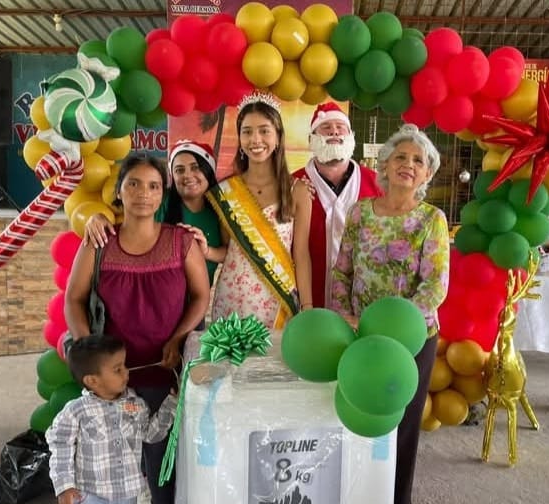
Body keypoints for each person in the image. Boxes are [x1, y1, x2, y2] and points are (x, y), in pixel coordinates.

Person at [65, 153, 210, 504]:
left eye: (153, 186)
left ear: (162, 194)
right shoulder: (99, 241)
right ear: (119, 191)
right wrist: (90, 355)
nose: (143, 193)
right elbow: (73, 299)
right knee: (109, 455)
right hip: (114, 376)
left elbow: (201, 296)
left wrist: (178, 337)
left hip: (164, 367)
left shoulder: (181, 241)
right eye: (133, 184)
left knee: (161, 451)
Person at [329, 124, 450, 504]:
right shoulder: (360, 212)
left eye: (418, 160)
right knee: (359, 419)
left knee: (401, 428)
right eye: (401, 156)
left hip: (411, 340)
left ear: (427, 173)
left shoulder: (431, 219)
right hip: (360, 334)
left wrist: (397, 326)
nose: (408, 165)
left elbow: (434, 285)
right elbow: (342, 270)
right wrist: (345, 315)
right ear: (384, 165)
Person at [45, 334, 178, 504]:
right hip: (87, 496)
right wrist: (64, 486)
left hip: (125, 497)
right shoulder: (76, 411)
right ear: (92, 380)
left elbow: (150, 435)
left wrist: (170, 405)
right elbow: (60, 445)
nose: (126, 372)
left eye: (124, 365)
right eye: (118, 369)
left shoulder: (136, 405)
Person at [205, 91, 313, 328]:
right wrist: (206, 251)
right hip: (232, 300)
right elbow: (228, 250)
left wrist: (307, 307)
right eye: (247, 131)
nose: (255, 139)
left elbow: (301, 254)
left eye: (264, 131)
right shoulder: (226, 191)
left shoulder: (297, 191)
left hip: (278, 302)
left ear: (278, 137)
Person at [83, 141, 225, 287]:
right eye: (179, 170)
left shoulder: (223, 208)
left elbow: (231, 253)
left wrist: (207, 252)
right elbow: (127, 222)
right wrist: (98, 218)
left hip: (199, 294)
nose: (187, 175)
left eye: (195, 168)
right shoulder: (160, 200)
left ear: (208, 170)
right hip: (158, 290)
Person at [291, 101, 382, 309]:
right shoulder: (293, 184)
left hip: (363, 303)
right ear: (311, 139)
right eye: (326, 127)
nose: (334, 131)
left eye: (340, 127)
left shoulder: (376, 185)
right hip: (307, 302)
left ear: (351, 136)